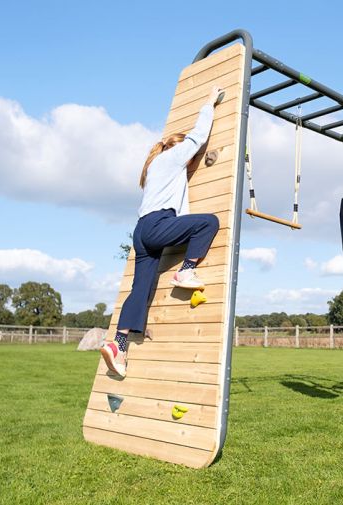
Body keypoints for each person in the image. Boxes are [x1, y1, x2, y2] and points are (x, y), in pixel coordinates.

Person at [101, 85, 224, 379]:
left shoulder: (155, 166)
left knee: (140, 290)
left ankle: (119, 346)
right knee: (208, 223)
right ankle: (186, 270)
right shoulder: (171, 157)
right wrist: (209, 102)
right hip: (157, 225)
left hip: (142, 231)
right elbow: (197, 137)